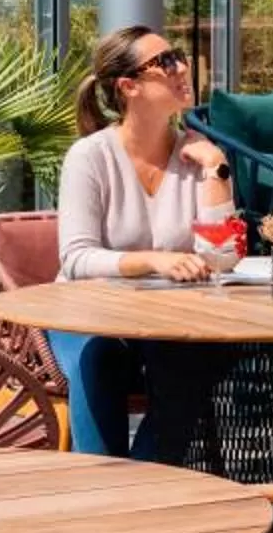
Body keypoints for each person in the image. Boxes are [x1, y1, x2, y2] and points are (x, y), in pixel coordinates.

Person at [47, 25, 235, 460]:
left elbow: (222, 258)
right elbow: (75, 259)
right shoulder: (90, 157)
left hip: (169, 317)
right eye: (165, 62)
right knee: (100, 358)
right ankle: (102, 485)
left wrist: (215, 168)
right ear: (128, 86)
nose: (182, 68)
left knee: (199, 359)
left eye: (180, 56)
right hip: (87, 315)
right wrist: (155, 261)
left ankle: (140, 483)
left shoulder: (198, 156)